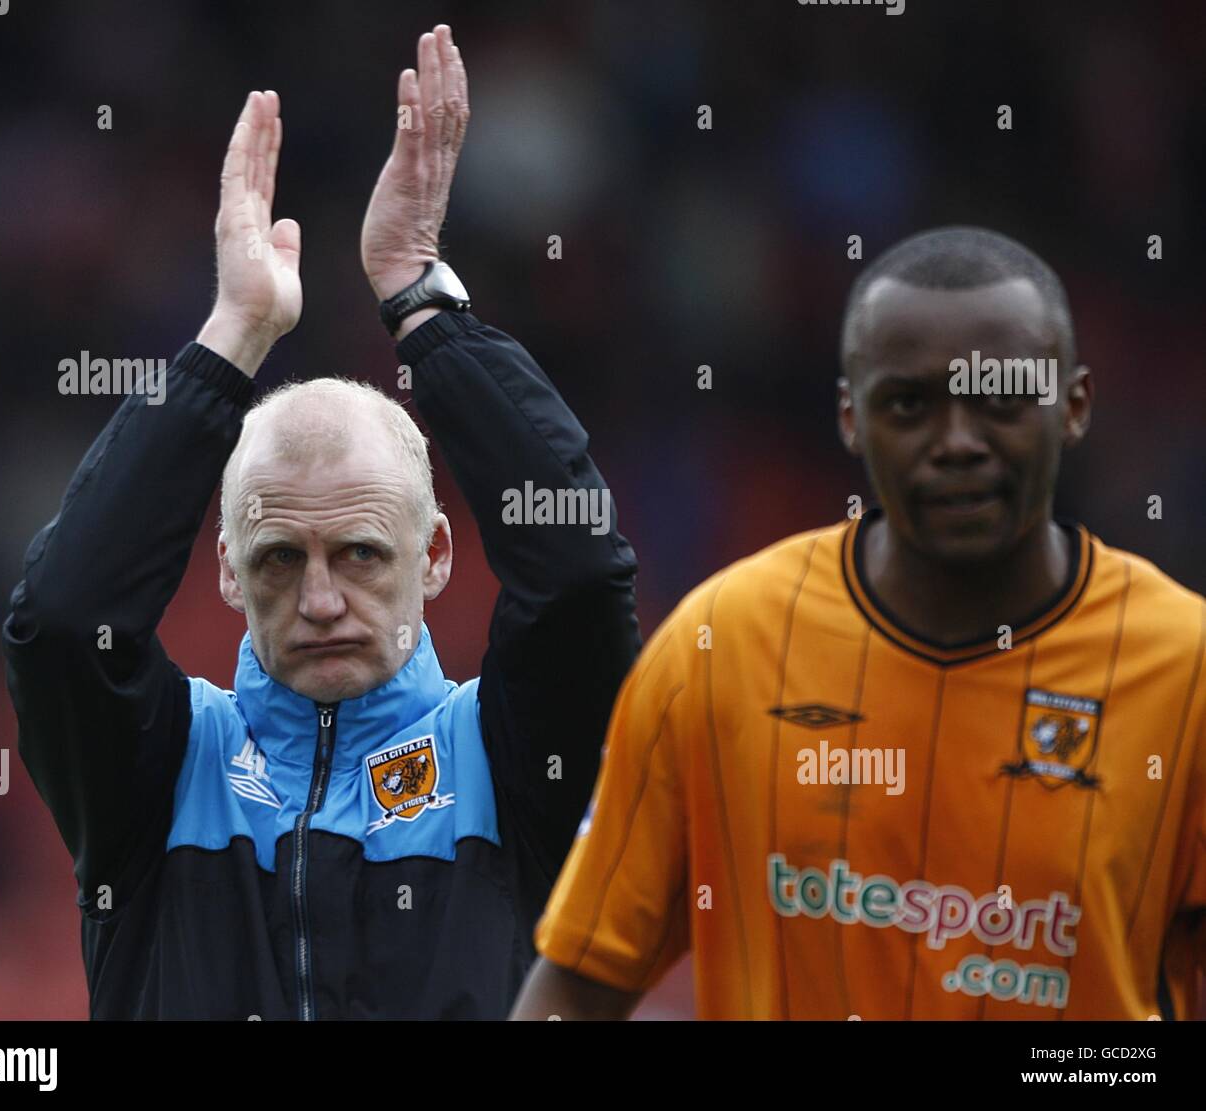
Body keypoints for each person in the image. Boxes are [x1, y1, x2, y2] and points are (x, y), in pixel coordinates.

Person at [3, 25, 639, 1020]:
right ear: (222, 570)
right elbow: (59, 616)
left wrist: (421, 297)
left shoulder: (508, 756)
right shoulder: (162, 771)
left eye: (360, 552)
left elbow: (580, 577)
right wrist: (231, 337)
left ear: (434, 555)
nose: (322, 599)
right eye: (277, 560)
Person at [511, 226, 1206, 1020]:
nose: (957, 444)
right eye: (910, 403)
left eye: (1002, 400)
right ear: (849, 415)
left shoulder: (1185, 668)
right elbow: (580, 979)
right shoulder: (722, 644)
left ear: (1074, 406)